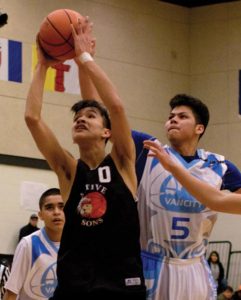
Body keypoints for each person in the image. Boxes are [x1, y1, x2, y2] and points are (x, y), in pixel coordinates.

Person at [24, 17, 146, 300]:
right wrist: (42, 65)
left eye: (90, 116)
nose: (81, 119)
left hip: (121, 285)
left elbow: (115, 105)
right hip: (74, 285)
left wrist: (85, 58)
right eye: (77, 117)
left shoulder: (123, 159)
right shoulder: (68, 170)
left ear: (107, 131)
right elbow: (32, 118)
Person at [132, 94, 241, 300]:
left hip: (195, 266)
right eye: (171, 116)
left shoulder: (219, 165)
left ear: (199, 128)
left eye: (182, 116)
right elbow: (107, 118)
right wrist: (85, 62)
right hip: (152, 263)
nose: (173, 119)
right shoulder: (148, 150)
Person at [4, 188, 65, 300]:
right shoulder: (27, 244)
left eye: (62, 207)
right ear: (40, 215)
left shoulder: (78, 245)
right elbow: (11, 293)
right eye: (49, 207)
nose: (56, 212)